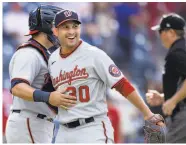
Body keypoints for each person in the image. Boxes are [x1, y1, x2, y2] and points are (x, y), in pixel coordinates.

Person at [49, 9, 165, 143]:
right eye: (65, 27)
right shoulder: (52, 60)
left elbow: (122, 84)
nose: (71, 31)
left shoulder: (94, 55)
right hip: (63, 131)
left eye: (75, 26)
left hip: (92, 128)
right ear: (56, 31)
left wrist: (147, 113)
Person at [5, 5, 76, 143]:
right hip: (28, 122)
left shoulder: (45, 54)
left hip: (39, 123)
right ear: (46, 27)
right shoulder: (29, 53)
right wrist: (49, 97)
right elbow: (17, 87)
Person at [146, 13, 186, 143]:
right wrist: (165, 97)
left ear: (171, 32)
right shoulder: (180, 49)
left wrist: (173, 100)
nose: (160, 35)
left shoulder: (178, 53)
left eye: (161, 31)